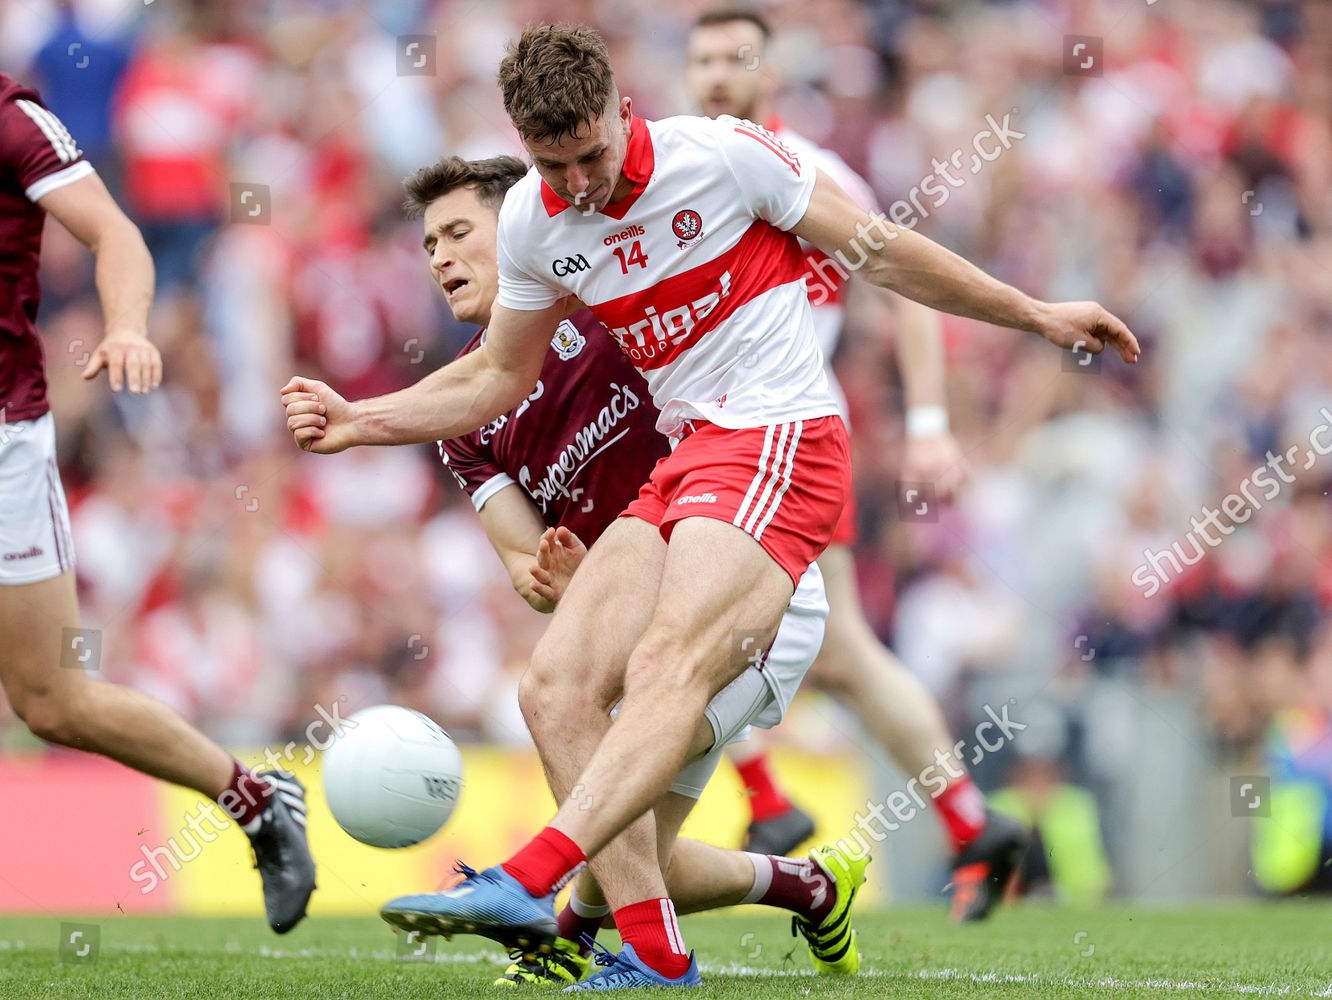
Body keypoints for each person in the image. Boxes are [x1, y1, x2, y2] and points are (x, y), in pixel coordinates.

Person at [283, 23, 1136, 989]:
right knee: (553, 689)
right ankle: (658, 959)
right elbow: (492, 375)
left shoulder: (724, 158)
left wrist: (1035, 314)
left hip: (783, 436)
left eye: (592, 154)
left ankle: (530, 882)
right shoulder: (532, 220)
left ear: (622, 109)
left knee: (664, 666)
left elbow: (885, 255)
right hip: (692, 461)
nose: (582, 183)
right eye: (554, 165)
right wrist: (360, 419)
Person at [0, 0, 314, 932]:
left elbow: (117, 234)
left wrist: (128, 325)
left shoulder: (13, 118)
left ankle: (255, 799)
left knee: (54, 702)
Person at [398, 153, 864, 986]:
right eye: (429, 242)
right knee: (632, 855)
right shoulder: (465, 421)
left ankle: (609, 952)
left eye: (458, 232)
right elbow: (519, 557)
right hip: (629, 631)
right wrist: (547, 575)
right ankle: (807, 883)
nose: (439, 257)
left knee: (614, 840)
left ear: (513, 234)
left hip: (746, 589)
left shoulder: (606, 304)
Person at [682, 6, 1027, 920]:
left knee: (695, 632)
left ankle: (773, 806)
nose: (717, 73)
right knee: (836, 657)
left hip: (781, 439)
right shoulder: (680, 170)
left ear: (771, 73)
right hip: (719, 441)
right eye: (703, 58)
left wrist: (926, 422)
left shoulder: (811, 174)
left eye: (735, 57)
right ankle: (965, 820)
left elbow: (911, 288)